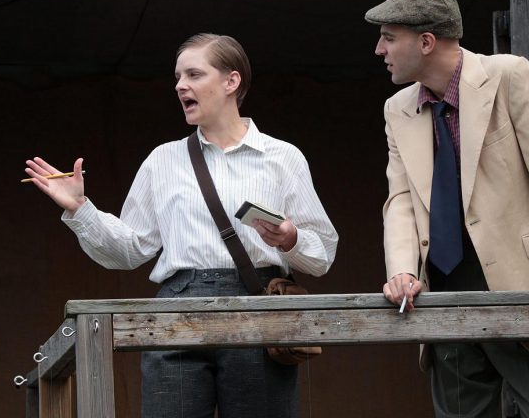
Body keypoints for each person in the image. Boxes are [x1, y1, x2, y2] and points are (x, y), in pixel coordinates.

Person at [24, 33, 338, 418]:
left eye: (193, 74)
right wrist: (81, 208)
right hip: (175, 312)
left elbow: (322, 254)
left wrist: (290, 239)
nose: (180, 86)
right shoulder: (163, 160)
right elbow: (129, 249)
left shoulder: (283, 157)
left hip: (259, 307)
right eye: (178, 77)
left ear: (231, 82)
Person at [364, 0, 529, 417]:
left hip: (520, 280)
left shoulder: (508, 75)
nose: (378, 49)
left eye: (388, 36)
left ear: (425, 42)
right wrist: (402, 270)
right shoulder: (397, 107)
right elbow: (401, 199)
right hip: (441, 288)